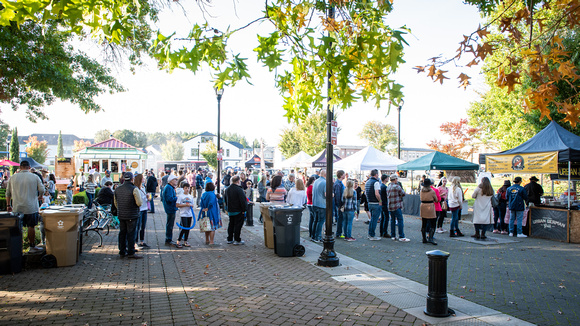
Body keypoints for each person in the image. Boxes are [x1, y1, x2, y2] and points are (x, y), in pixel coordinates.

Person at [6, 160, 45, 250]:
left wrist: (8, 205)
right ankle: (32, 246)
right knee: (31, 226)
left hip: (17, 207)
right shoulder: (34, 177)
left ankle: (18, 248)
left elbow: (8, 193)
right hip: (31, 207)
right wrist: (40, 196)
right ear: (29, 167)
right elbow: (42, 189)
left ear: (20, 167)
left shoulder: (13, 178)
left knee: (18, 228)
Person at [113, 172, 143, 259]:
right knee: (131, 233)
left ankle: (122, 251)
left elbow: (115, 203)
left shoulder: (117, 189)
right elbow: (139, 203)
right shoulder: (134, 189)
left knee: (122, 233)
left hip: (121, 215)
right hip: (132, 215)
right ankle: (131, 252)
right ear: (132, 179)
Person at [224, 175, 248, 245]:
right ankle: (237, 239)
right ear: (238, 181)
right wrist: (244, 209)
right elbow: (243, 200)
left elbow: (225, 199)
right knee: (238, 225)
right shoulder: (239, 189)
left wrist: (227, 208)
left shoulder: (227, 189)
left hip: (231, 210)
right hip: (238, 210)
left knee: (231, 224)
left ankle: (230, 238)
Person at [386, 174, 409, 242]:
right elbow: (403, 194)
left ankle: (393, 235)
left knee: (392, 220)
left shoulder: (388, 186)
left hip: (390, 206)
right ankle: (401, 236)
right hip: (396, 205)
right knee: (400, 220)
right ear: (395, 179)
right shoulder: (397, 186)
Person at [162, 174, 181, 247]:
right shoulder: (169, 188)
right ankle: (168, 239)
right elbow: (169, 199)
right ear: (171, 181)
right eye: (175, 180)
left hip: (170, 208)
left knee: (170, 224)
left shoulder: (169, 187)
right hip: (170, 208)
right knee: (170, 224)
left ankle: (169, 239)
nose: (176, 181)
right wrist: (177, 198)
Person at [365, 169, 382, 241]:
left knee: (372, 219)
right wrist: (380, 200)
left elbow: (366, 193)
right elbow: (377, 193)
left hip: (369, 202)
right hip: (375, 203)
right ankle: (372, 235)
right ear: (376, 174)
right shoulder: (376, 183)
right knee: (375, 220)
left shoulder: (367, 182)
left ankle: (370, 234)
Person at [420, 178, 438, 245]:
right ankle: (430, 238)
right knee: (433, 223)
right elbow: (436, 199)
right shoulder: (432, 191)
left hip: (423, 206)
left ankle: (424, 238)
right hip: (430, 206)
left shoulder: (421, 191)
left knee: (424, 223)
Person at [133, 173, 149, 248]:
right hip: (140, 209)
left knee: (143, 226)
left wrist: (148, 198)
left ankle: (142, 241)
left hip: (145, 208)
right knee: (138, 226)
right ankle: (135, 242)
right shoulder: (136, 188)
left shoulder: (143, 187)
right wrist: (146, 197)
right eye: (142, 178)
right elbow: (138, 199)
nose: (144, 179)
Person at [176, 182, 194, 247]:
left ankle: (185, 241)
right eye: (186, 188)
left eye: (188, 188)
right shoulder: (181, 196)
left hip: (189, 214)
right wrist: (185, 205)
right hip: (183, 214)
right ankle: (179, 240)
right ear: (183, 189)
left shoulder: (190, 196)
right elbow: (177, 205)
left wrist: (191, 206)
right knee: (184, 227)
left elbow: (192, 205)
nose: (187, 189)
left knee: (188, 228)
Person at [311, 169, 327, 243]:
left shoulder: (316, 181)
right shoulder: (325, 182)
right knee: (320, 221)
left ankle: (313, 236)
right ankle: (318, 237)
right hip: (322, 204)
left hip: (315, 204)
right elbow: (326, 194)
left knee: (315, 220)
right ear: (326, 175)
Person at [333, 170, 346, 238]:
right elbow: (337, 195)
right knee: (340, 219)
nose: (344, 175)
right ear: (341, 175)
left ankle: (339, 232)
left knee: (341, 218)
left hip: (340, 204)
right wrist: (339, 205)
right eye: (344, 174)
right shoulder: (338, 184)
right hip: (340, 204)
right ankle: (339, 233)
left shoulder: (339, 183)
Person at [379, 174, 390, 238]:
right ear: (385, 179)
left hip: (382, 203)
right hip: (385, 203)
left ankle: (381, 231)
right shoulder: (385, 187)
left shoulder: (381, 186)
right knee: (386, 218)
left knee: (383, 218)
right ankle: (384, 232)